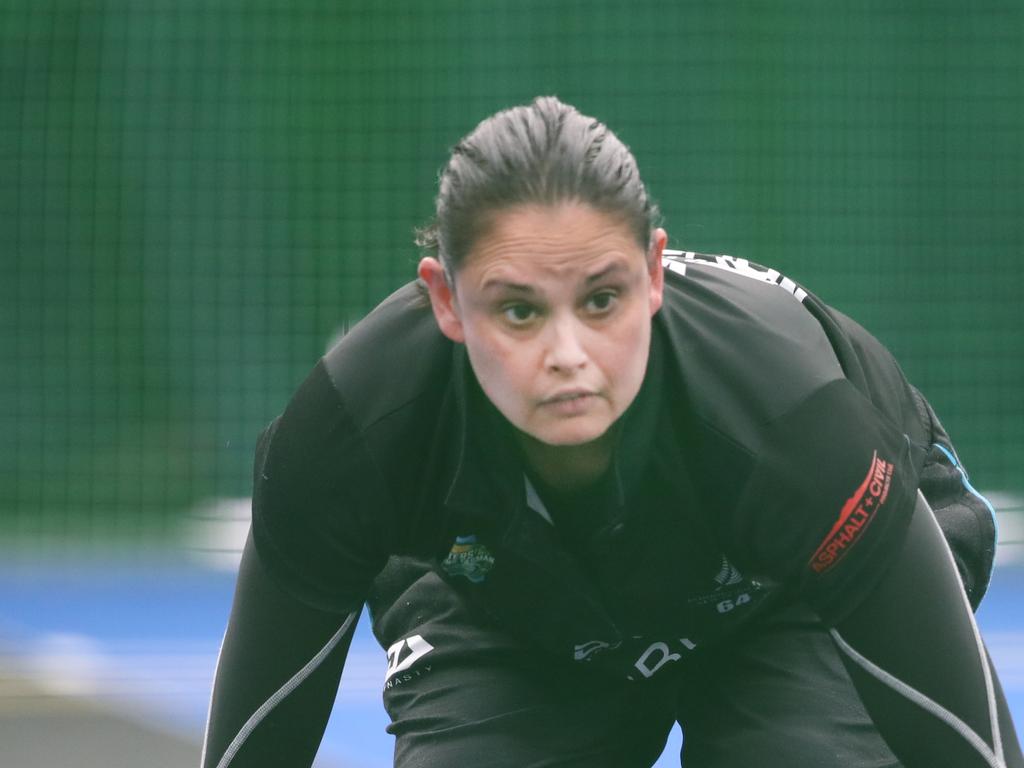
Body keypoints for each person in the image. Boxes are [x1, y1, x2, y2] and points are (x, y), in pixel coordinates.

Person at [201, 96, 1021, 768]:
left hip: (790, 596)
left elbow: (969, 746)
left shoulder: (789, 420)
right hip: (512, 609)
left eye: (602, 301)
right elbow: (251, 746)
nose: (569, 357)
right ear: (446, 301)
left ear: (654, 274)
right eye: (519, 310)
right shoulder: (354, 430)